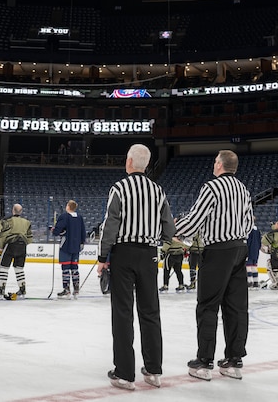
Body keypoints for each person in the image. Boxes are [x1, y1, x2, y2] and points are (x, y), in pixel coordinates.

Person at [97, 143, 176, 391]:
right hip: (149, 255)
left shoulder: (119, 188)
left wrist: (102, 257)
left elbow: (110, 225)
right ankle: (153, 371)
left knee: (123, 312)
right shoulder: (158, 190)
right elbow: (169, 229)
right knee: (150, 311)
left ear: (129, 162)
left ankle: (124, 373)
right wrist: (155, 242)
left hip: (124, 254)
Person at [174, 149, 254, 381]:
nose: (214, 164)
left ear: (220, 165)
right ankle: (234, 359)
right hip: (240, 249)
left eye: (215, 161)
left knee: (208, 305)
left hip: (218, 251)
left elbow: (196, 218)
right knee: (236, 307)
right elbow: (249, 222)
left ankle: (204, 361)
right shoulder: (243, 189)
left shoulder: (212, 187)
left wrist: (175, 229)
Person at [0, 203, 33, 299]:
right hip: (22, 246)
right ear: (21, 211)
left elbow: (3, 236)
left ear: (13, 210)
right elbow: (30, 238)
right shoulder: (27, 222)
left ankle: (1, 289)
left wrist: (2, 248)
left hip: (10, 245)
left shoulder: (8, 221)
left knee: (4, 267)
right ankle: (22, 289)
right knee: (19, 268)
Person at [52, 199, 88, 299]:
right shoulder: (79, 217)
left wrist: (54, 230)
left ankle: (66, 289)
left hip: (66, 245)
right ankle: (76, 289)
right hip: (76, 246)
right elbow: (83, 231)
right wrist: (81, 242)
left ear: (68, 206)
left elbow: (58, 230)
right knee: (75, 268)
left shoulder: (64, 216)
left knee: (65, 268)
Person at [262, 220, 278, 289]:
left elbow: (265, 241)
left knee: (275, 269)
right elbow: (276, 229)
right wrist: (272, 226)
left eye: (276, 224)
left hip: (276, 253)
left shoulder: (274, 233)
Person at [245, 222, 261, 289]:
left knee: (248, 266)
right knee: (254, 266)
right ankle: (255, 282)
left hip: (250, 249)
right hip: (256, 250)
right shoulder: (257, 229)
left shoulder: (248, 230)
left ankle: (249, 281)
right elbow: (259, 240)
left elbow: (248, 241)